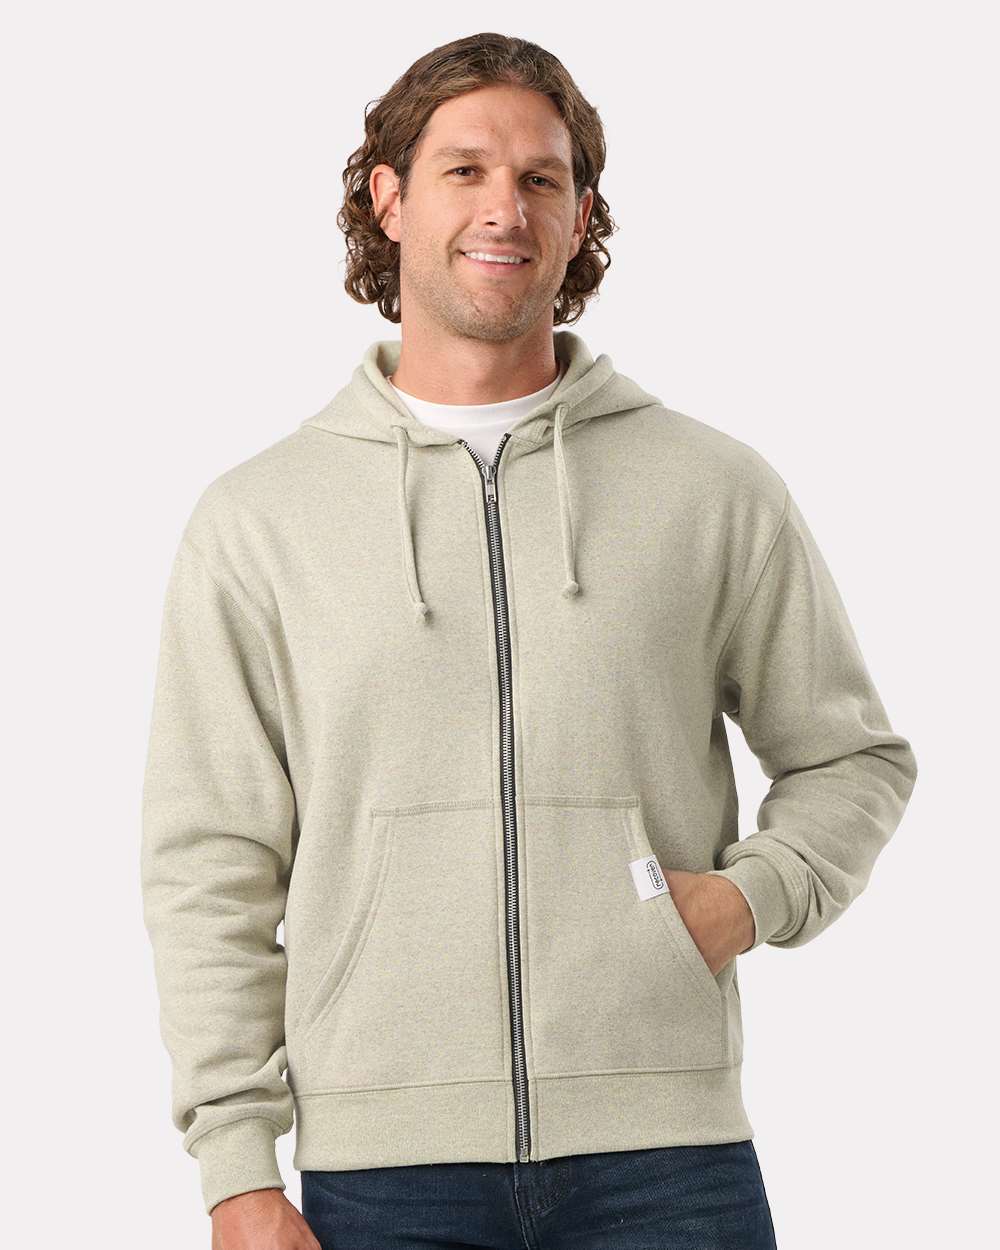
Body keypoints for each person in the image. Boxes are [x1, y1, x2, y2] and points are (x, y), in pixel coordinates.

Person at [140, 31, 918, 1250]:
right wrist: (237, 1169)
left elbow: (851, 757)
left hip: (668, 1157)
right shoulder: (260, 520)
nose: (504, 208)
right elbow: (209, 863)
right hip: (385, 1168)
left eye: (540, 178)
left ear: (579, 214)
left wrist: (742, 900)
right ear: (388, 197)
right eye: (464, 170)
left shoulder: (709, 487)